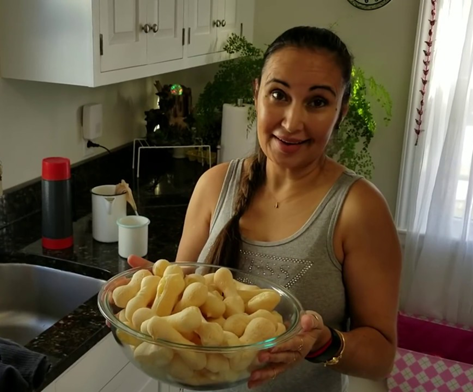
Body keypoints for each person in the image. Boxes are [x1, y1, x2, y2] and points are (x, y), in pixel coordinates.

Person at [128, 25, 401, 391]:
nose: (292, 122)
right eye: (278, 94)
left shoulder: (358, 208)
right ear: (257, 94)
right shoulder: (213, 186)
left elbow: (381, 355)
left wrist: (322, 342)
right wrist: (151, 292)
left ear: (341, 111)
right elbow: (182, 299)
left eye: (317, 102)